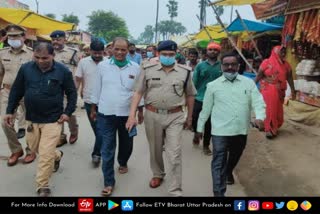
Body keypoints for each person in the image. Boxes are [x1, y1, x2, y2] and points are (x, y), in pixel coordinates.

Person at [3, 42, 77, 196]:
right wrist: (10, 111)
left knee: (44, 154)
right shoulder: (26, 69)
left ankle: (42, 185)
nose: (41, 61)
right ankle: (56, 155)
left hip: (53, 120)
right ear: (33, 55)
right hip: (32, 118)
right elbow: (16, 90)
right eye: (37, 57)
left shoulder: (63, 71)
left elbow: (72, 93)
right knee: (36, 148)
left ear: (53, 56)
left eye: (45, 58)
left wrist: (67, 113)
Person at [126, 40, 197, 197]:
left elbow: (190, 95)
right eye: (164, 54)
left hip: (176, 116)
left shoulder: (185, 72)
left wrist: (189, 117)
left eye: (171, 55)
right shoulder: (147, 69)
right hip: (153, 115)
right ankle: (158, 174)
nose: (168, 57)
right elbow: (138, 92)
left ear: (176, 54)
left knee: (175, 152)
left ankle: (175, 189)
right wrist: (132, 116)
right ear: (157, 54)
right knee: (155, 149)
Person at [196, 52, 266, 197]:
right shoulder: (213, 86)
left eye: (233, 64)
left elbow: (258, 102)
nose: (230, 67)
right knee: (218, 162)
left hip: (240, 129)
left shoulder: (249, 83)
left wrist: (260, 117)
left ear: (238, 66)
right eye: (226, 65)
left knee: (235, 155)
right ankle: (219, 193)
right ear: (221, 67)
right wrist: (199, 128)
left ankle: (229, 171)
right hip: (220, 131)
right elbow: (206, 109)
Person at [90, 37, 143, 196]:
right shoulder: (103, 66)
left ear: (128, 50)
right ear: (111, 49)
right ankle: (108, 182)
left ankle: (123, 162)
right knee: (107, 149)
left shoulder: (135, 68)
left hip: (128, 115)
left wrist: (139, 111)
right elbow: (96, 88)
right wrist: (93, 108)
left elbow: (139, 92)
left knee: (127, 144)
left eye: (123, 50)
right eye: (117, 49)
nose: (120, 52)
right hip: (106, 114)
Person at [0, 24, 36, 166]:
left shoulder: (32, 54)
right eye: (10, 36)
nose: (12, 39)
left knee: (31, 123)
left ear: (23, 37)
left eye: (16, 36)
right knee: (5, 122)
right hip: (8, 91)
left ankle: (30, 150)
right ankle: (16, 150)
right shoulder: (2, 53)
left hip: (27, 92)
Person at [75, 40, 106, 167]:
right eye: (95, 53)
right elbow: (78, 79)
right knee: (96, 128)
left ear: (103, 51)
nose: (98, 55)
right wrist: (74, 94)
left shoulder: (109, 62)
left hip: (105, 101)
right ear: (90, 51)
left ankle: (96, 154)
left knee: (101, 130)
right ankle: (101, 147)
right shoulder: (83, 62)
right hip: (88, 100)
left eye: (100, 53)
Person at [255, 46, 295, 139]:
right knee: (270, 109)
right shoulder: (266, 62)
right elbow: (259, 76)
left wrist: (293, 90)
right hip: (268, 89)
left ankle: (265, 124)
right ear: (275, 52)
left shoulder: (286, 65)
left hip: (280, 91)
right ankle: (270, 129)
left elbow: (289, 78)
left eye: (285, 52)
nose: (284, 54)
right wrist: (251, 87)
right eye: (282, 52)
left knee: (277, 110)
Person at [192, 42, 222, 155]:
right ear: (207, 52)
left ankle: (206, 146)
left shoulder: (221, 66)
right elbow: (194, 82)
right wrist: (190, 96)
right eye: (210, 49)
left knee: (209, 124)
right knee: (195, 118)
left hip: (215, 100)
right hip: (199, 97)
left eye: (215, 50)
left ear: (218, 52)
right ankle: (196, 132)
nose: (213, 51)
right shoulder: (200, 66)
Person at [50, 30, 79, 146]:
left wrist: (76, 87)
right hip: (53, 87)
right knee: (56, 111)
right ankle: (61, 136)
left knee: (69, 112)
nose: (55, 42)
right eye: (53, 40)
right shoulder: (49, 51)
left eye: (58, 39)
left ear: (64, 40)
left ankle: (74, 131)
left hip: (67, 87)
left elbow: (78, 70)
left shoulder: (72, 53)